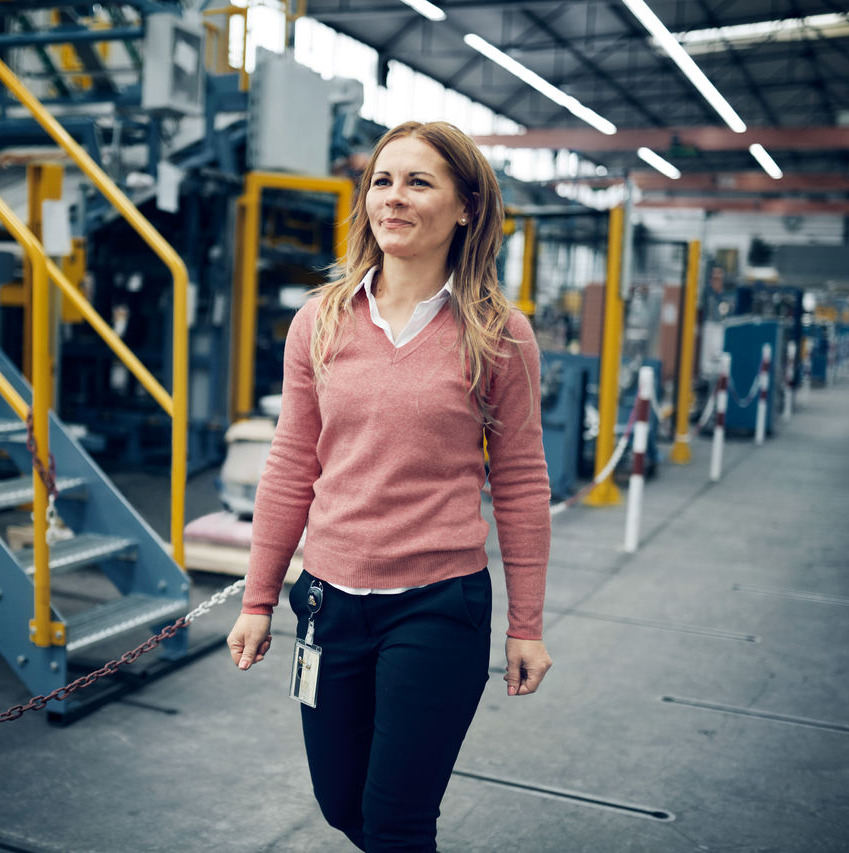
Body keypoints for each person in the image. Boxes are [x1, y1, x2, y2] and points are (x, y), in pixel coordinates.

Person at [227, 120, 553, 852]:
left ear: (466, 207)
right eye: (382, 181)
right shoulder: (322, 319)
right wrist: (257, 597)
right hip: (329, 604)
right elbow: (290, 463)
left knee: (400, 820)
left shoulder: (498, 332)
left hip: (439, 605)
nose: (393, 198)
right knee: (343, 804)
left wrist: (525, 624)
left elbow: (524, 480)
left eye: (418, 182)